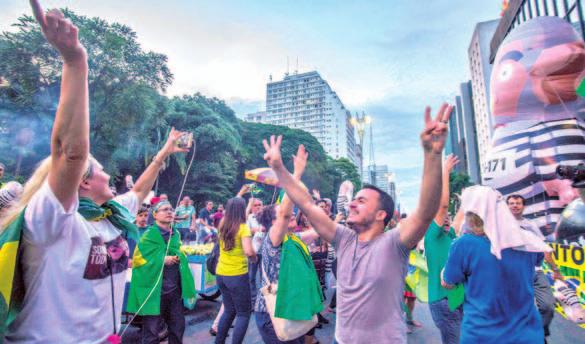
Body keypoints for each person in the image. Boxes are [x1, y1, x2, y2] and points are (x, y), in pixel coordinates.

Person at [1, 2, 190, 341]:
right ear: (83, 180)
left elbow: (140, 190)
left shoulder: (111, 215)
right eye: (101, 170)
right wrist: (75, 62)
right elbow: (70, 153)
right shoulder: (52, 220)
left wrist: (164, 152)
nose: (111, 179)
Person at [261, 104, 453, 343]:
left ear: (382, 214)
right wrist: (279, 169)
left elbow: (426, 211)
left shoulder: (395, 243)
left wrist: (433, 155)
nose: (351, 204)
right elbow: (307, 205)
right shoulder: (343, 238)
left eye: (361, 201)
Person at [442, 186, 551, 344]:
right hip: (527, 335)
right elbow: (538, 261)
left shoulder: (464, 244)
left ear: (471, 215)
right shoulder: (527, 239)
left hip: (483, 335)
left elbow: (448, 282)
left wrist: (445, 269)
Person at [254, 145, 310, 344]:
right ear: (273, 222)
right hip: (273, 313)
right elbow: (286, 212)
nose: (290, 215)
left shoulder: (293, 239)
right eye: (284, 214)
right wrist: (296, 174)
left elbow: (321, 230)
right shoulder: (273, 239)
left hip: (292, 308)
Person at [127, 201, 196, 344]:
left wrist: (179, 256)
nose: (169, 212)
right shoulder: (148, 236)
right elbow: (138, 261)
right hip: (154, 292)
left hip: (174, 291)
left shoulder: (175, 233)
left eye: (171, 209)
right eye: (165, 209)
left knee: (178, 329)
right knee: (151, 332)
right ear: (155, 215)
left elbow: (179, 251)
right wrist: (162, 260)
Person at [507, 194, 560, 340]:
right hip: (513, 275)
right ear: (506, 207)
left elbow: (545, 248)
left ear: (523, 206)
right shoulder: (500, 227)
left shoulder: (531, 225)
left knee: (548, 307)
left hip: (535, 272)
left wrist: (556, 270)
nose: (515, 206)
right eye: (511, 203)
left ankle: (540, 332)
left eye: (518, 203)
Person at [424, 154, 462, 344]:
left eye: (448, 217)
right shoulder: (432, 236)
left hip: (458, 297)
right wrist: (444, 173)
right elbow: (443, 206)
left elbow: (461, 215)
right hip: (442, 300)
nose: (446, 218)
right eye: (442, 216)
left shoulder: (452, 236)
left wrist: (469, 198)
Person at [215, 197, 257, 344]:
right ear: (241, 210)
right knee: (244, 314)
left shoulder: (222, 224)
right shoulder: (243, 227)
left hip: (221, 274)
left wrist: (249, 204)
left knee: (229, 310)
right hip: (237, 276)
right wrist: (254, 258)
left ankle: (218, 342)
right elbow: (249, 251)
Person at [246, 196, 264, 306]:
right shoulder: (249, 218)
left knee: (265, 277)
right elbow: (246, 231)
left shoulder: (267, 216)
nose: (257, 207)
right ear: (252, 207)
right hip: (253, 251)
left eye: (259, 205)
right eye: (255, 205)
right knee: (250, 277)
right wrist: (256, 229)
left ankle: (264, 301)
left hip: (266, 251)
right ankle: (253, 301)